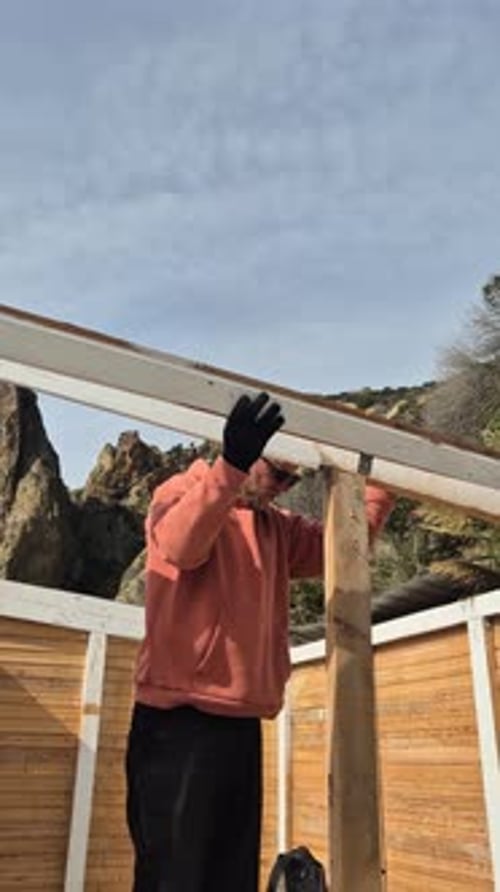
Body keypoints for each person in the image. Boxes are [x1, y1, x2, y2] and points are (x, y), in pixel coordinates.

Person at [126, 391, 393, 892]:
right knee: (173, 877)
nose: (282, 489)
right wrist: (229, 466)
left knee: (229, 875)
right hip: (178, 725)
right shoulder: (179, 492)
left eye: (293, 481)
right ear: (247, 453)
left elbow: (343, 544)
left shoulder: (276, 527)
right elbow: (182, 546)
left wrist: (381, 479)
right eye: (276, 474)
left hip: (240, 725)